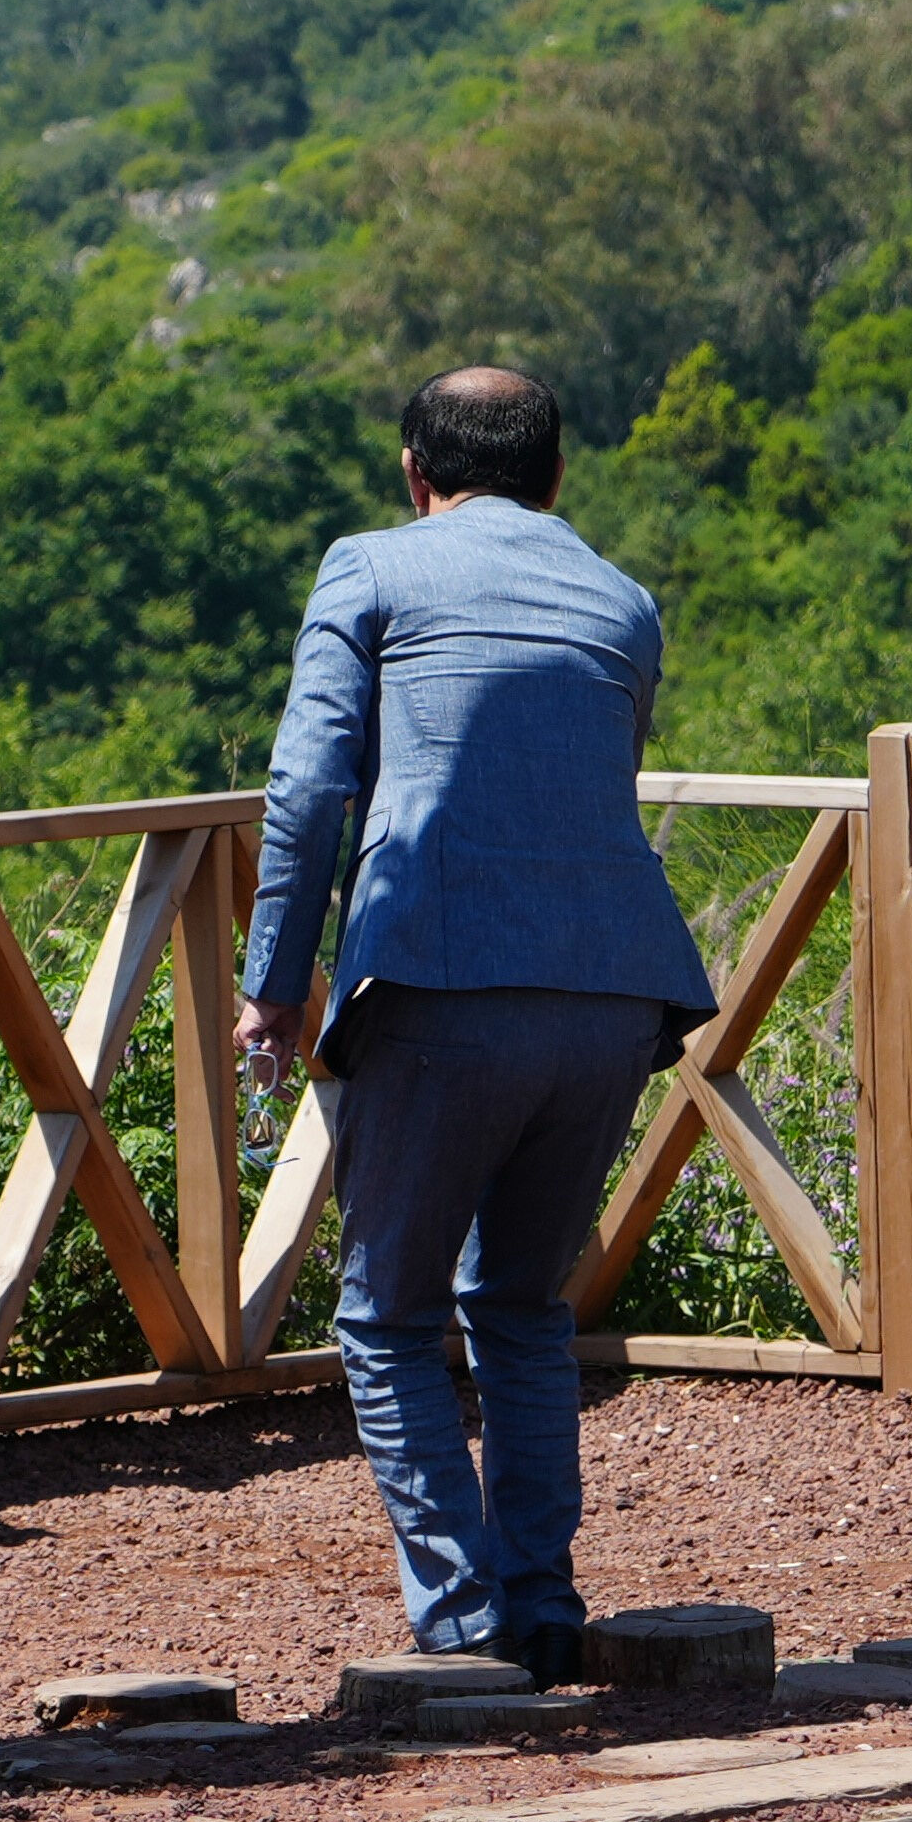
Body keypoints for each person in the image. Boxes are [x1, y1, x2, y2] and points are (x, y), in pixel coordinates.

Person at [236, 365, 718, 1677]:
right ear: (557, 476)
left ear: (415, 473)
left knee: (389, 1317)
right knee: (523, 1306)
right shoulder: (622, 601)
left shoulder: (371, 571)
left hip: (439, 982)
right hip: (614, 993)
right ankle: (544, 1606)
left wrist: (274, 981)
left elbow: (307, 787)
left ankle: (461, 1624)